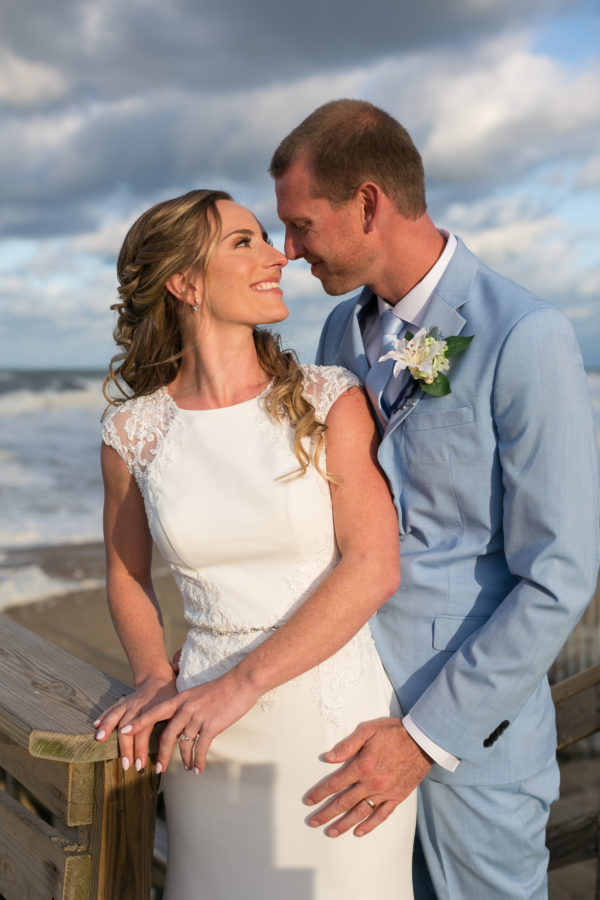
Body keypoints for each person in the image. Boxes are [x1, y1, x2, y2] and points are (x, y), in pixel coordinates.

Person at [270, 99, 600, 899]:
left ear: (368, 204)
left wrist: (423, 737)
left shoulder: (526, 334)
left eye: (302, 225)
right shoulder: (339, 334)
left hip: (469, 745)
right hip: (345, 724)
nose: (289, 250)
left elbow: (560, 574)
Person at [93, 188, 417, 899]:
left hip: (333, 735)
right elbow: (125, 573)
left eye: (267, 238)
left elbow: (373, 567)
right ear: (185, 283)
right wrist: (151, 675)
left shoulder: (329, 399)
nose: (279, 256)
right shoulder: (132, 433)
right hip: (205, 739)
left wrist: (239, 686)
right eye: (246, 242)